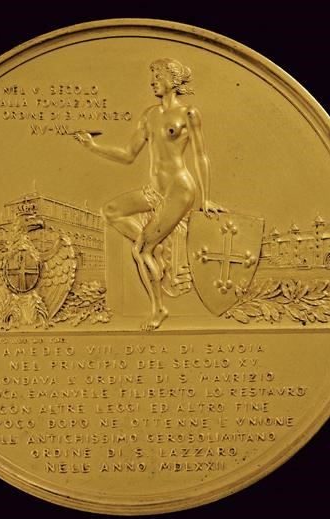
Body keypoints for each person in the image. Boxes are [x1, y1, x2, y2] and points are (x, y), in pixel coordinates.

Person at [74, 58, 225, 330]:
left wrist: (206, 198)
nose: (152, 81)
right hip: (154, 191)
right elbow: (128, 154)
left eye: (158, 76)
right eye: (152, 76)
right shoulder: (149, 116)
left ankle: (158, 309)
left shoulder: (189, 114)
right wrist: (92, 146)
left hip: (179, 190)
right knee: (110, 211)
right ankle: (156, 248)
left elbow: (201, 156)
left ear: (173, 80)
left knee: (141, 249)